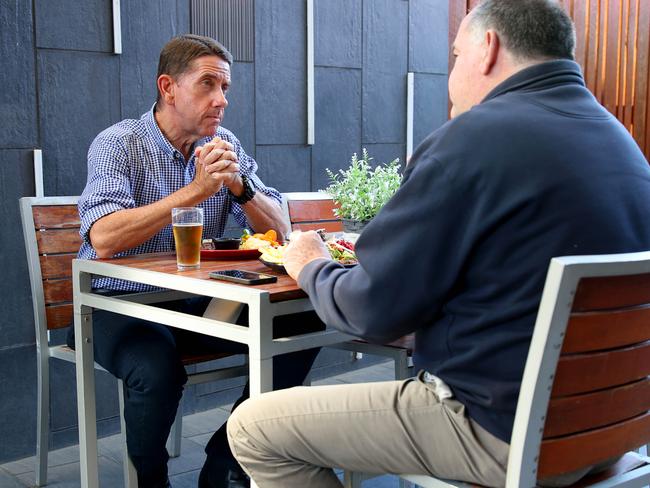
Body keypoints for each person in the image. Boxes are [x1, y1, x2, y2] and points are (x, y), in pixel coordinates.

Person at [225, 1, 650, 487]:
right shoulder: (621, 145)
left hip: (501, 432)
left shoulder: (472, 140)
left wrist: (310, 264)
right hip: (609, 432)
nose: (450, 77)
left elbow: (370, 311)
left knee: (256, 429)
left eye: (454, 55)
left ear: (487, 48)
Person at [67, 34, 323, 488]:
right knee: (157, 368)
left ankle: (227, 459)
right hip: (111, 303)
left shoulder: (223, 143)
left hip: (192, 301)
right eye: (208, 85)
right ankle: (152, 481)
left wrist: (240, 187)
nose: (221, 100)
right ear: (168, 87)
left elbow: (283, 227)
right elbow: (103, 237)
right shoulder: (118, 144)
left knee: (302, 325)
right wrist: (196, 191)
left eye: (225, 88)